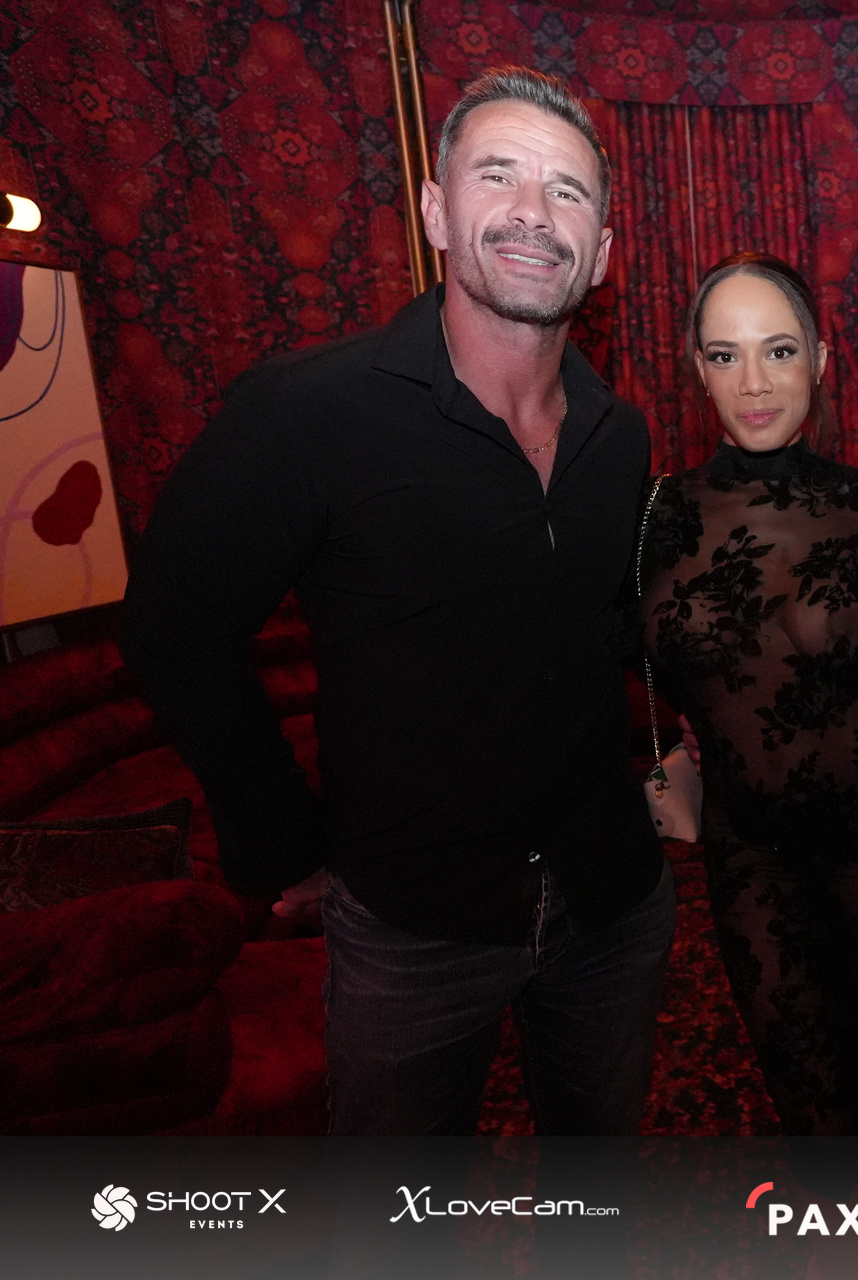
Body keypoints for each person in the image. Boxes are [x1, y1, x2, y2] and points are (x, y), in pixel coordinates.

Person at [120, 67, 677, 1135]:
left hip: (612, 900)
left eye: (568, 191)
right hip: (413, 928)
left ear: (603, 251)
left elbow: (597, 634)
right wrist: (282, 839)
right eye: (498, 174)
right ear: (434, 211)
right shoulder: (309, 413)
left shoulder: (621, 436)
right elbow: (173, 629)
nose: (533, 210)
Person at [636, 250, 858, 1138]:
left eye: (778, 351)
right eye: (726, 355)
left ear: (818, 359)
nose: (754, 382)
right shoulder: (651, 517)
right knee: (803, 1092)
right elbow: (611, 658)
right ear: (699, 368)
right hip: (749, 852)